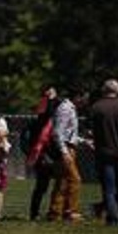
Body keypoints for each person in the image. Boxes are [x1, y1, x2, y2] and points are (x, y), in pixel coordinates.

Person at [47, 86, 87, 222]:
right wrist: (64, 152)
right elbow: (57, 133)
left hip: (68, 147)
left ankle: (55, 213)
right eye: (84, 97)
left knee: (62, 181)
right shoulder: (65, 108)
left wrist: (85, 141)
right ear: (78, 96)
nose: (85, 101)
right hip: (65, 149)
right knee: (75, 180)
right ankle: (71, 212)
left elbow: (69, 134)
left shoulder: (71, 108)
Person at [90, 78, 118, 226]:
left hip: (104, 154)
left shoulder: (97, 107)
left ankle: (113, 218)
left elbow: (92, 131)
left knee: (109, 189)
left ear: (104, 90)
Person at [28, 86, 59, 221]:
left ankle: (53, 212)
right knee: (42, 186)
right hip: (44, 155)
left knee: (55, 185)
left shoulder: (49, 115)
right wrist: (51, 99)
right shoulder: (41, 119)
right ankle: (35, 213)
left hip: (51, 154)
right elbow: (48, 113)